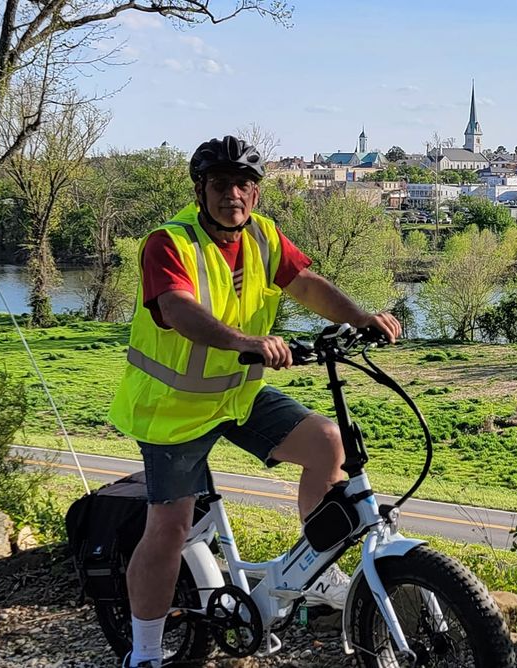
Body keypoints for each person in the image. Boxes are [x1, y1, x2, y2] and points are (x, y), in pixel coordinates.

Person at [107, 135, 402, 668]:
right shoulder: (169, 243)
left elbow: (305, 283)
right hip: (172, 410)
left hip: (235, 397)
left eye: (244, 184)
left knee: (328, 443)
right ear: (201, 190)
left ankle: (317, 571)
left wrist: (360, 319)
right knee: (169, 528)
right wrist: (245, 342)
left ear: (257, 194)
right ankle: (145, 653)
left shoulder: (263, 236)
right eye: (220, 184)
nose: (233, 195)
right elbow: (176, 309)